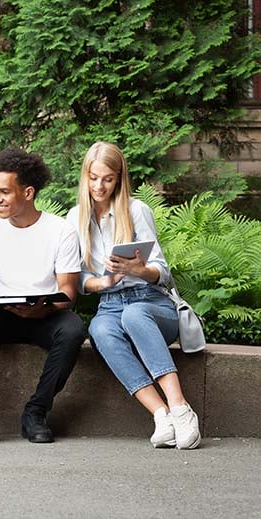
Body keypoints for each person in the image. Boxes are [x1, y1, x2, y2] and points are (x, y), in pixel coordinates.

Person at [68, 142, 201, 449]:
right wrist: (102, 283)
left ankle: (180, 408)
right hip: (110, 304)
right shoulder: (75, 218)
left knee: (134, 313)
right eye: (93, 177)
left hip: (151, 302)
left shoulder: (136, 211)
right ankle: (161, 414)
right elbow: (77, 277)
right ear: (84, 176)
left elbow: (163, 272)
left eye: (108, 179)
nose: (99, 186)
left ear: (119, 178)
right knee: (99, 328)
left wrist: (138, 270)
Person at [0, 148, 85, 446]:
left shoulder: (60, 231)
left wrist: (39, 310)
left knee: (73, 326)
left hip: (43, 315)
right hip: (2, 315)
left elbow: (68, 293)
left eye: (5, 192)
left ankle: (35, 412)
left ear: (27, 192)